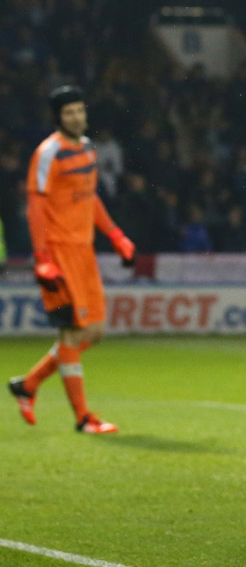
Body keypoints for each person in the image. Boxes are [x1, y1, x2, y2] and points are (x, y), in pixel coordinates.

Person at [7, 85, 136, 434]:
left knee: (93, 332)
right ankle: (83, 418)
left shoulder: (88, 149)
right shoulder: (48, 153)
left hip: (84, 250)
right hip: (59, 252)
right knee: (71, 333)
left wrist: (115, 234)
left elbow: (89, 198)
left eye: (80, 111)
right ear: (58, 117)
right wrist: (42, 257)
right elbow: (36, 205)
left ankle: (28, 385)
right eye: (69, 113)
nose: (76, 117)